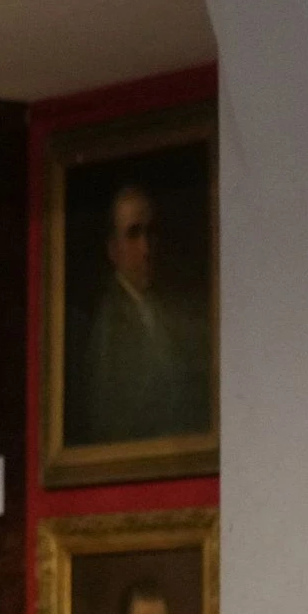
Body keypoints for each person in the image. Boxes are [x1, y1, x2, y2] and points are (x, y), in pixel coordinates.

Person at [72, 181, 212, 446]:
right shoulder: (104, 323)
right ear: (113, 249)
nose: (146, 249)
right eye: (133, 234)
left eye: (151, 233)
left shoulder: (173, 312)